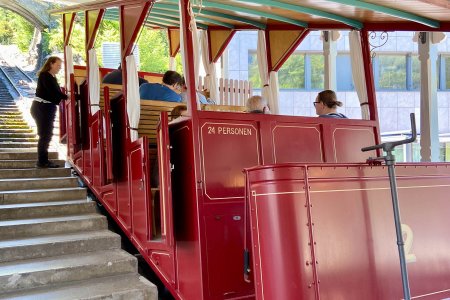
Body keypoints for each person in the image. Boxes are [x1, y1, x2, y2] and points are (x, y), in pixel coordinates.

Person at [31, 56, 68, 168]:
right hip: (42, 107)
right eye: (58, 65)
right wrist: (67, 97)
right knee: (45, 135)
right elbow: (52, 92)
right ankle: (42, 161)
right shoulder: (45, 76)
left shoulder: (51, 77)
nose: (59, 68)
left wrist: (65, 96)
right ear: (51, 64)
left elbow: (55, 93)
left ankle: (43, 160)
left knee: (46, 134)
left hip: (46, 107)